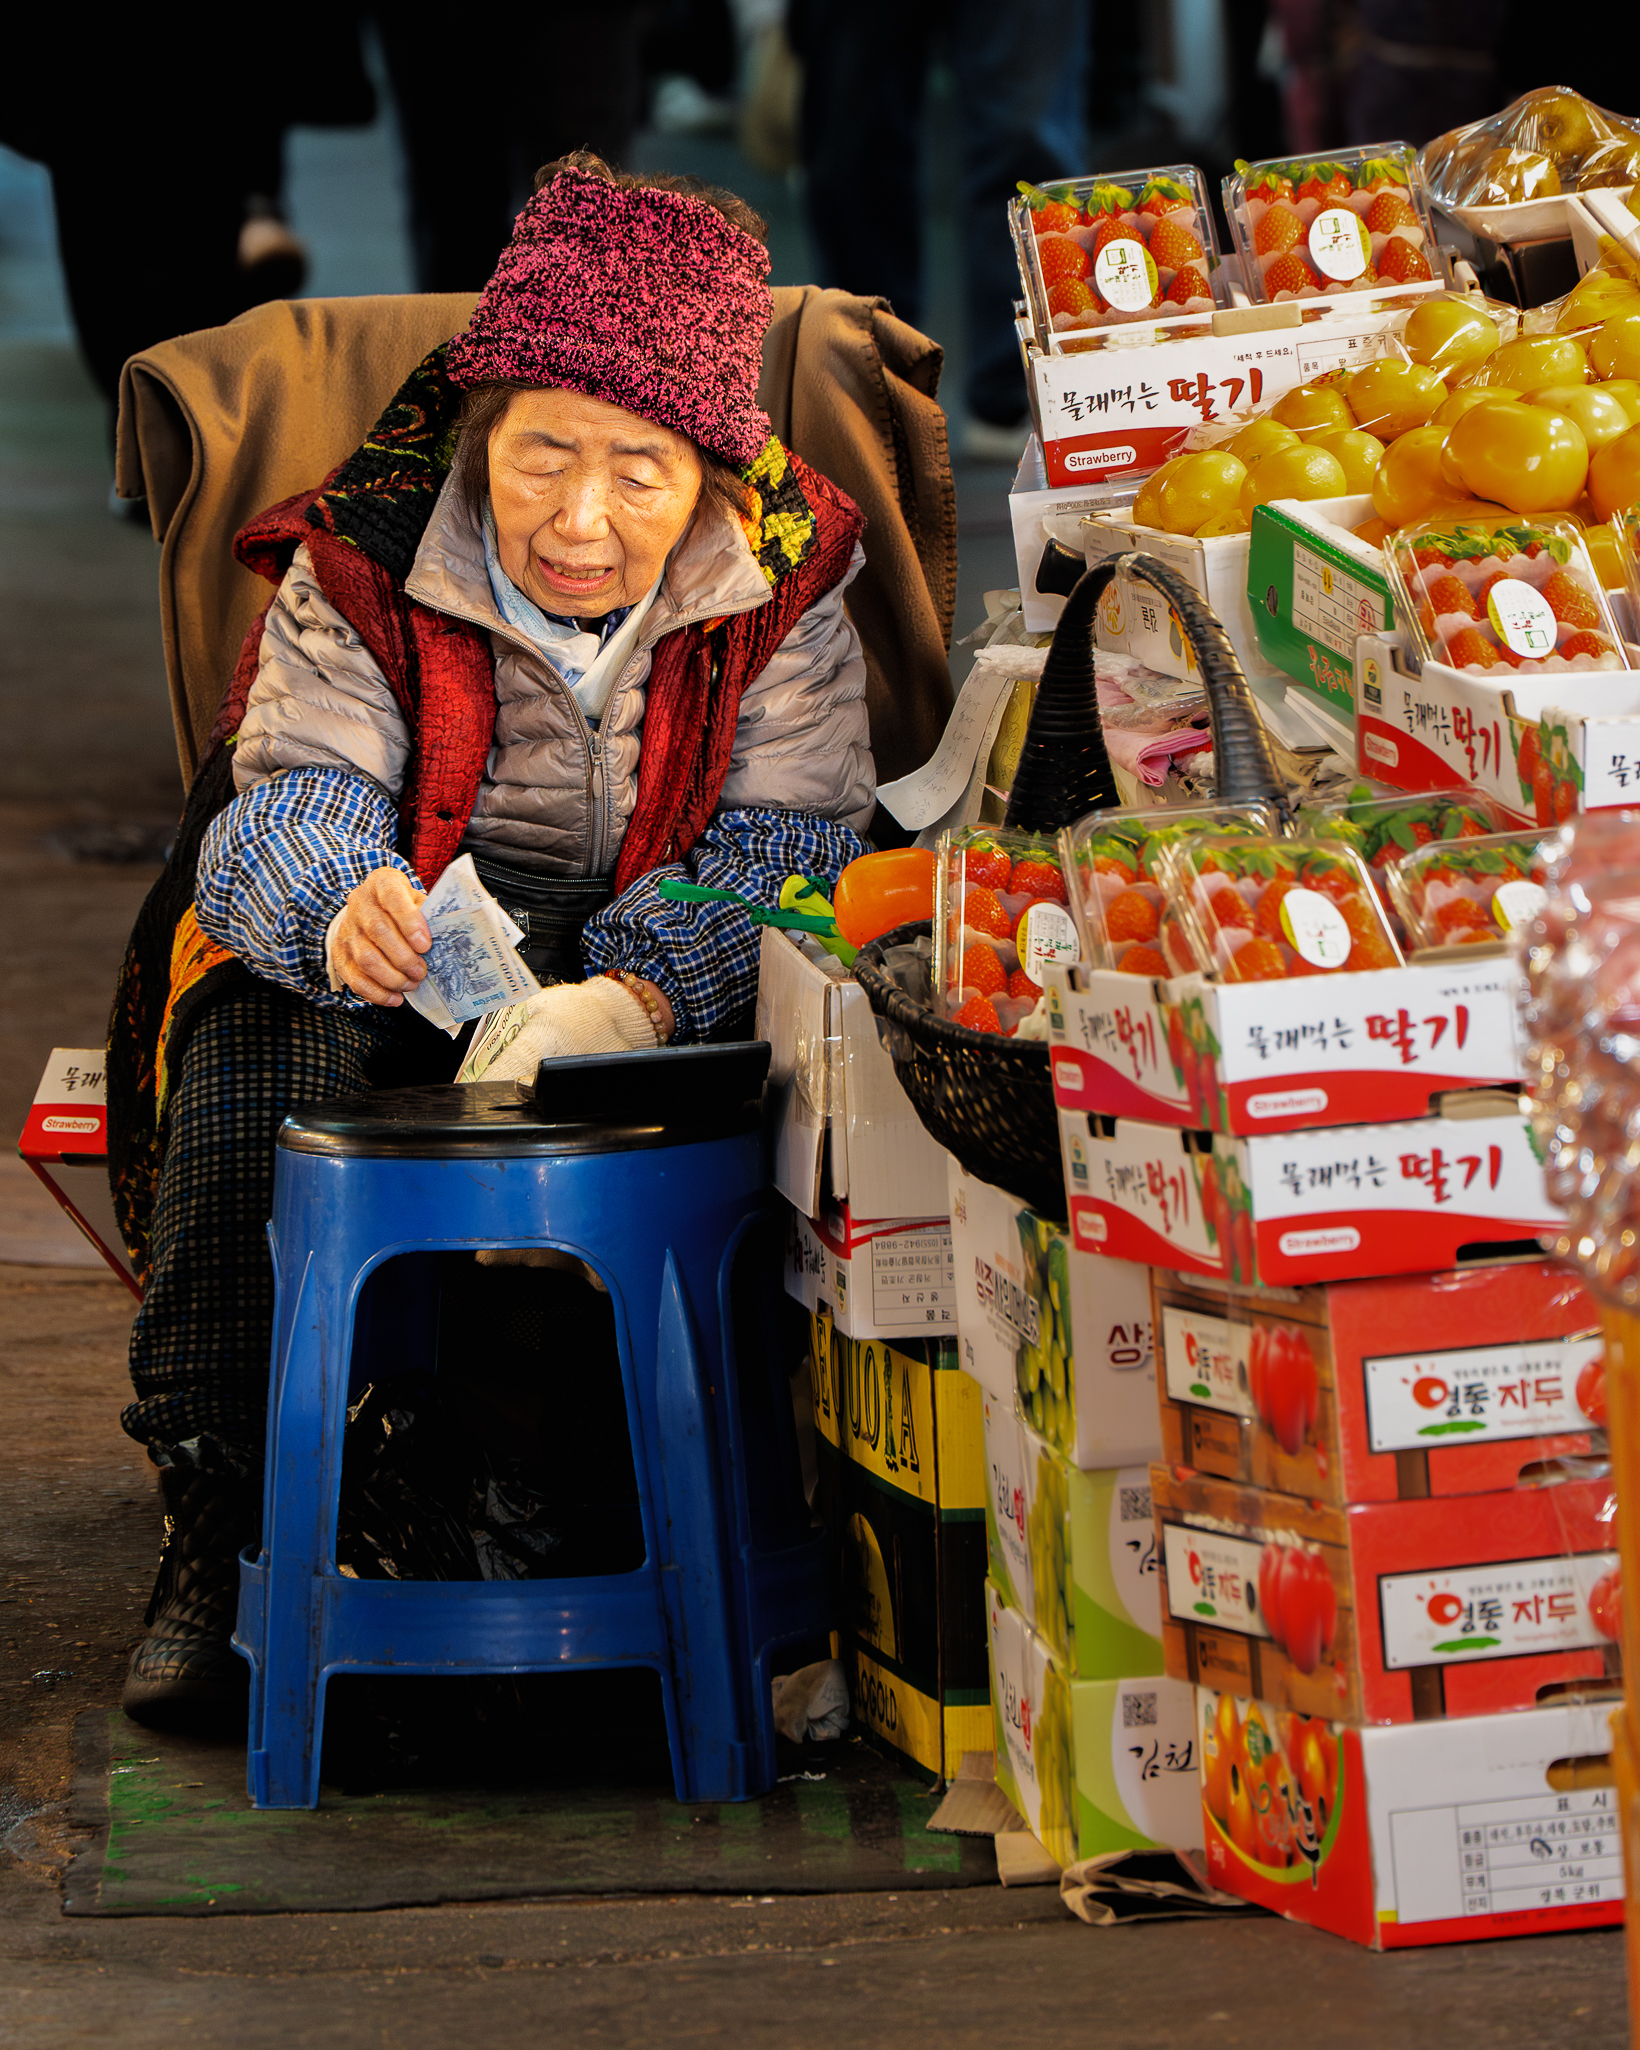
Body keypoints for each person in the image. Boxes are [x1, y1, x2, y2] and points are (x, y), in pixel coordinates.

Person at [107, 155, 875, 1731]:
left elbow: (795, 850)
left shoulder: (785, 586)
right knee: (267, 1048)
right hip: (397, 929)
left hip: (638, 950)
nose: (579, 520)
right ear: (482, 428)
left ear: (716, 478)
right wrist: (340, 903)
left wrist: (642, 986)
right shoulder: (369, 553)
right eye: (541, 457)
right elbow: (292, 790)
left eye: (639, 472)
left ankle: (502, 1488)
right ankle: (221, 1512)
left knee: (633, 1129)